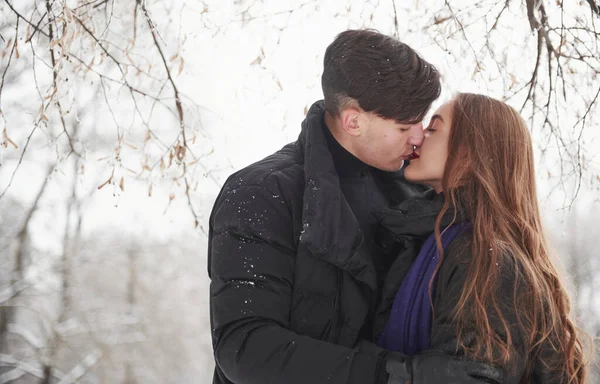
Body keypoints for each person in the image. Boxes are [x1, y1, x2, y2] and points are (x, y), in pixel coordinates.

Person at [208, 30, 503, 383]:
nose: (418, 136)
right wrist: (390, 375)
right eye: (405, 125)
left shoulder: (413, 197)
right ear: (353, 121)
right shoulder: (261, 193)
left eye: (422, 122)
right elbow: (245, 347)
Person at [373, 93, 590, 383]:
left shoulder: (485, 258)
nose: (418, 137)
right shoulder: (429, 241)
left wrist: (369, 368)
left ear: (468, 155)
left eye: (433, 129)